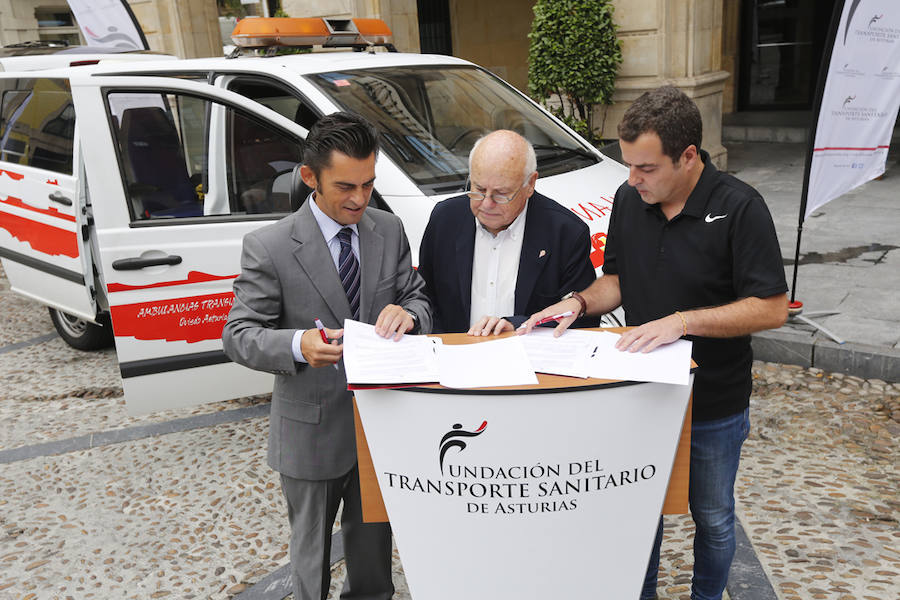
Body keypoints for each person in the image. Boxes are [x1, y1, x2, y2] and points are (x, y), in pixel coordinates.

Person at [519, 86, 788, 600]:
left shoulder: (740, 207)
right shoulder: (628, 199)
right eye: (627, 165)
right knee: (640, 511)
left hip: (713, 401)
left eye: (645, 167)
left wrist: (682, 321)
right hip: (641, 394)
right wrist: (577, 301)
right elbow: (617, 278)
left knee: (712, 518)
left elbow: (771, 307)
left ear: (688, 157)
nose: (631, 179)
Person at [222, 112, 432, 600]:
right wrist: (297, 345)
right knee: (311, 557)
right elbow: (238, 334)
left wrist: (409, 314)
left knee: (374, 553)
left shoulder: (389, 229)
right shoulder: (269, 246)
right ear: (310, 177)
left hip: (380, 425)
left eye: (368, 183)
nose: (359, 198)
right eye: (345, 187)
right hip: (309, 433)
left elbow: (418, 297)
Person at [417, 129, 598, 334]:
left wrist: (518, 325)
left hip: (529, 360)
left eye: (501, 194)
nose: (486, 203)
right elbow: (425, 298)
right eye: (478, 189)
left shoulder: (565, 233)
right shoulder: (445, 220)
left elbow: (582, 321)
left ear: (530, 184)